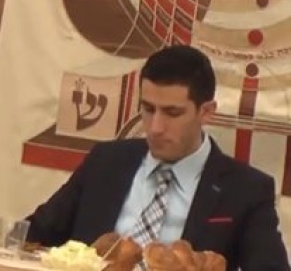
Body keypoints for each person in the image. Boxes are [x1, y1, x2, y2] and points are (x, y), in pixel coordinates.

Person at [23, 45, 289, 270]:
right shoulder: (105, 162)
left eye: (172, 113)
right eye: (148, 109)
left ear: (206, 112)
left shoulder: (246, 190)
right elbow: (31, 236)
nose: (155, 127)